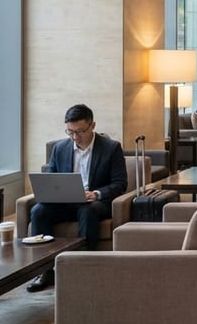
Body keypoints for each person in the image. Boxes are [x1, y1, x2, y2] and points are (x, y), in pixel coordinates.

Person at [26, 104, 127, 292]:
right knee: (38, 211)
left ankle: (82, 267)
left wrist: (96, 193)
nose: (75, 137)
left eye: (80, 131)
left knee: (87, 212)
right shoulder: (60, 148)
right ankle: (46, 272)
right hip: (64, 201)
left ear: (92, 126)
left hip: (94, 202)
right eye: (70, 132)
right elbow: (51, 178)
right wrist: (50, 192)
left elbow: (120, 183)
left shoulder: (111, 148)